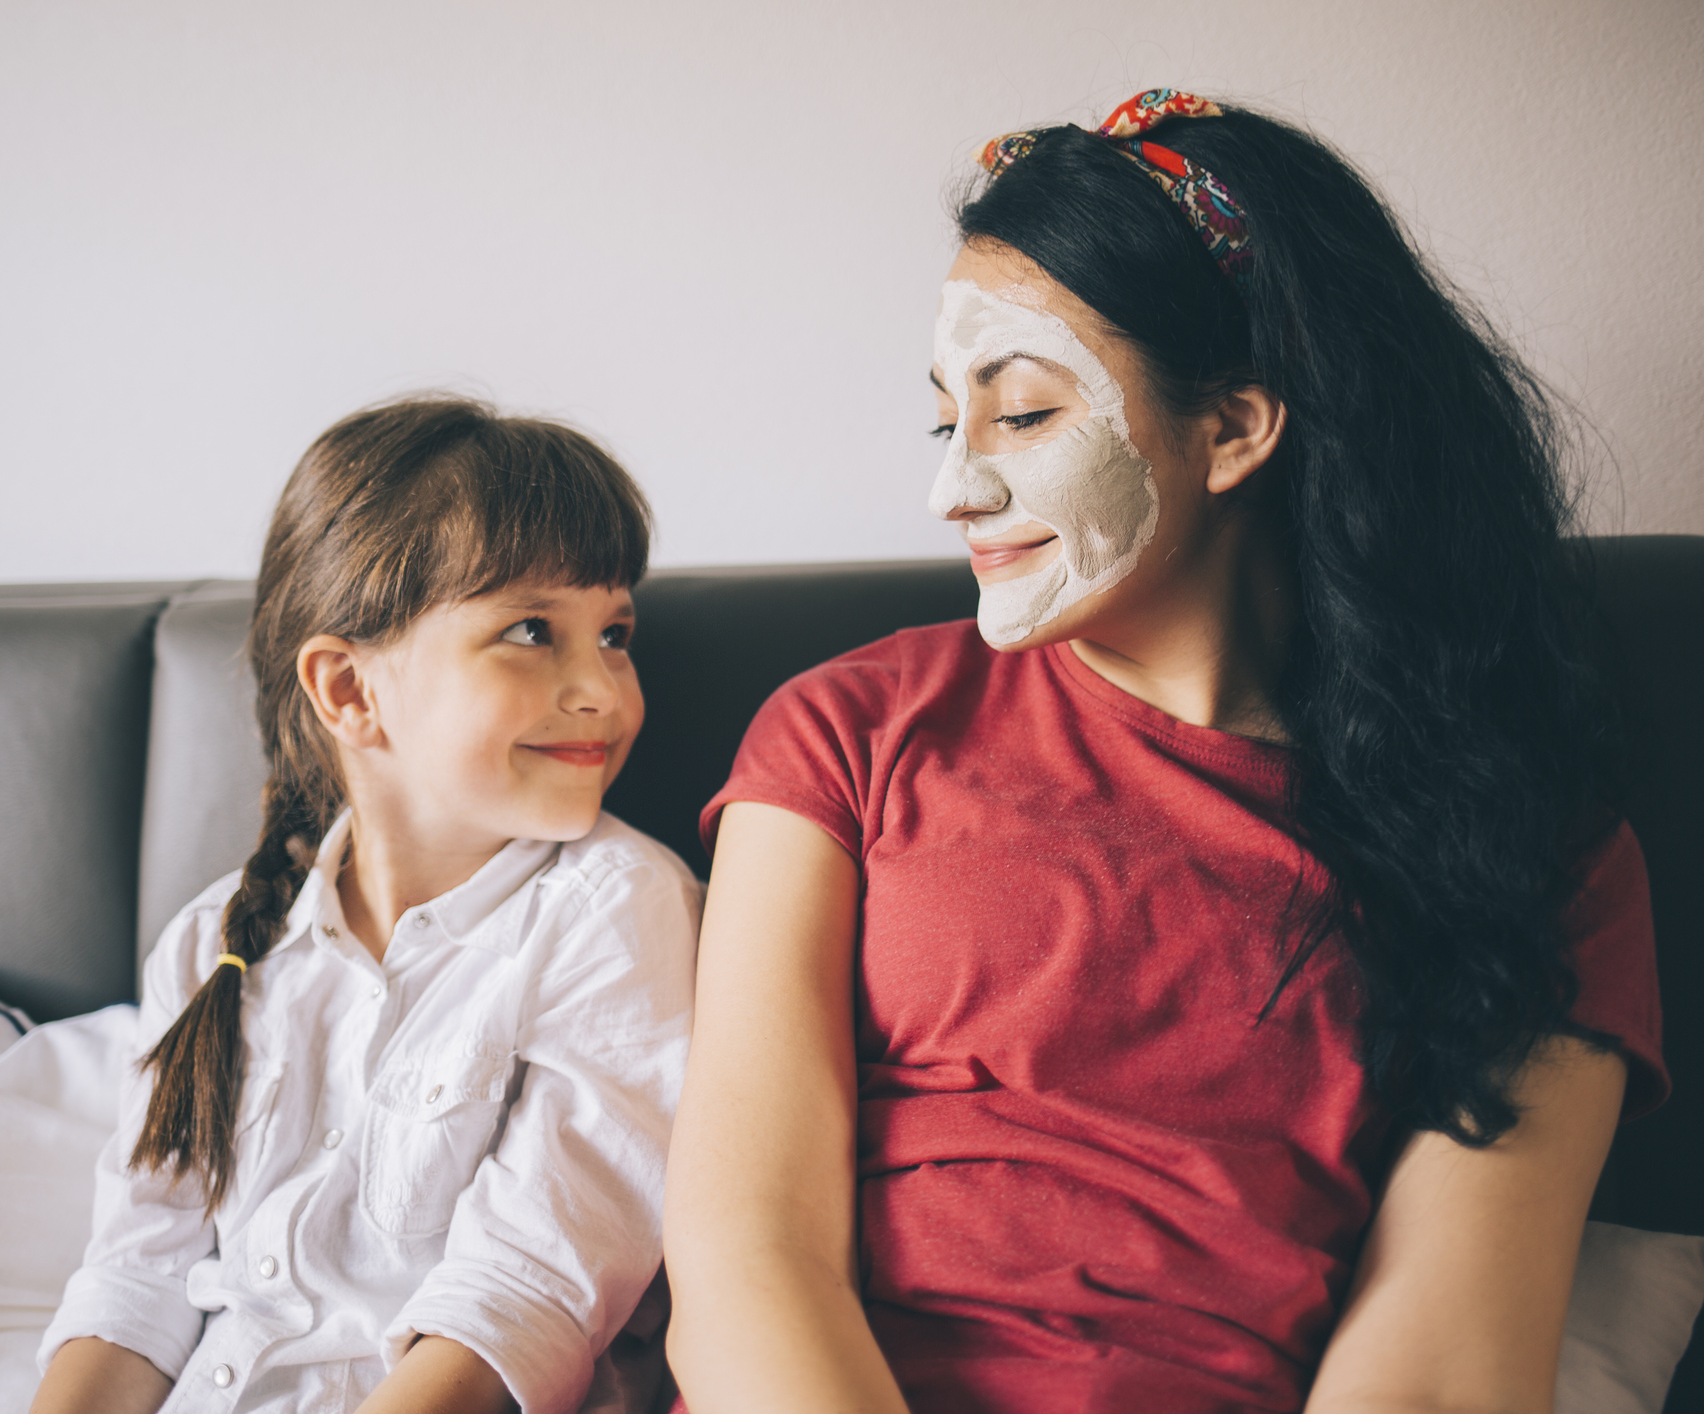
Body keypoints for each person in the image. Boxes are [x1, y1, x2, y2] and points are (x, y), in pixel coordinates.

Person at [662, 91, 1665, 1414]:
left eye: (1019, 417)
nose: (949, 488)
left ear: (1236, 427)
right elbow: (745, 1261)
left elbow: (1442, 1369)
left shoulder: (1541, 849)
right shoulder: (845, 729)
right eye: (941, 419)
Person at [30, 397, 699, 1414]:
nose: (604, 688)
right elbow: (138, 1276)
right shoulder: (212, 947)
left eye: (614, 633)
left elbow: (525, 1291)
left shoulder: (619, 909)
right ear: (348, 691)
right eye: (532, 631)